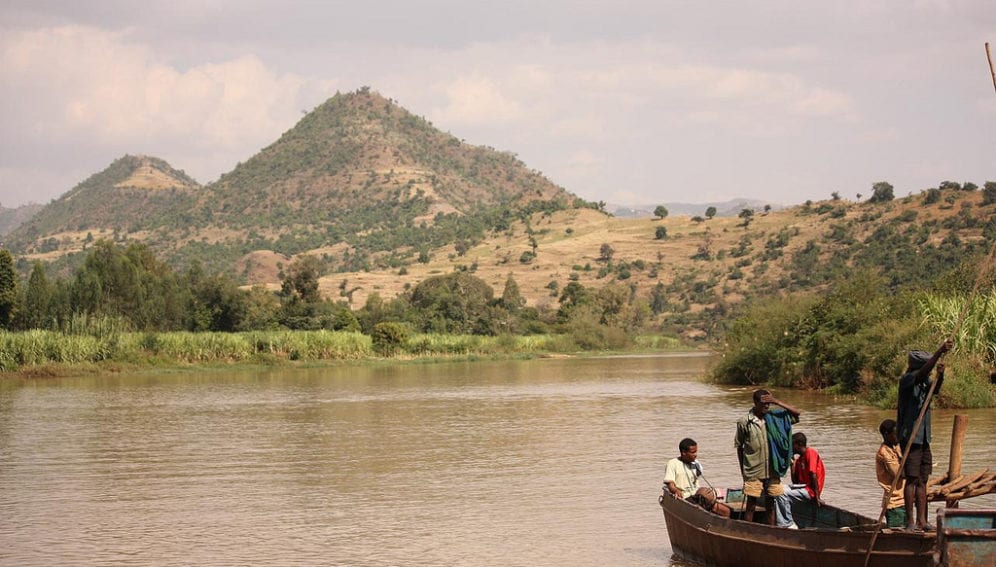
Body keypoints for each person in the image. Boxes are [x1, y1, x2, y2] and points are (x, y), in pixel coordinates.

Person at [897, 339, 952, 532]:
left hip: (924, 437)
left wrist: (940, 376)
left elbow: (934, 391)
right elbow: (921, 374)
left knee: (922, 480)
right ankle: (910, 522)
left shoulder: (925, 381)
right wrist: (939, 351)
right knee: (911, 479)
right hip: (910, 437)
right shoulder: (907, 380)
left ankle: (922, 521)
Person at [734, 389, 801, 525]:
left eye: (768, 404)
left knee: (771, 503)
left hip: (773, 468)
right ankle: (749, 532)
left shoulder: (776, 418)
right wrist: (743, 471)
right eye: (763, 404)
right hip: (753, 470)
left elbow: (796, 413)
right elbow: (739, 447)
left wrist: (776, 401)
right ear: (755, 403)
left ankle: (770, 531)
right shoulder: (744, 422)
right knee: (751, 504)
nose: (766, 407)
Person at [778, 432, 825, 528]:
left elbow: (813, 474)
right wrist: (792, 464)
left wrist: (817, 497)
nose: (791, 448)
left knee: (781, 492)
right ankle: (782, 521)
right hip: (804, 488)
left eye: (793, 445)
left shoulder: (810, 453)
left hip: (810, 491)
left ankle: (788, 524)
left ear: (799, 444)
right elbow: (795, 482)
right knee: (777, 489)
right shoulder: (799, 459)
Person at [876, 419, 906, 528]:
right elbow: (899, 474)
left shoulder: (894, 448)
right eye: (895, 434)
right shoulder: (884, 453)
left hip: (903, 500)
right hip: (894, 502)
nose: (897, 436)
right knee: (897, 536)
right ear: (886, 435)